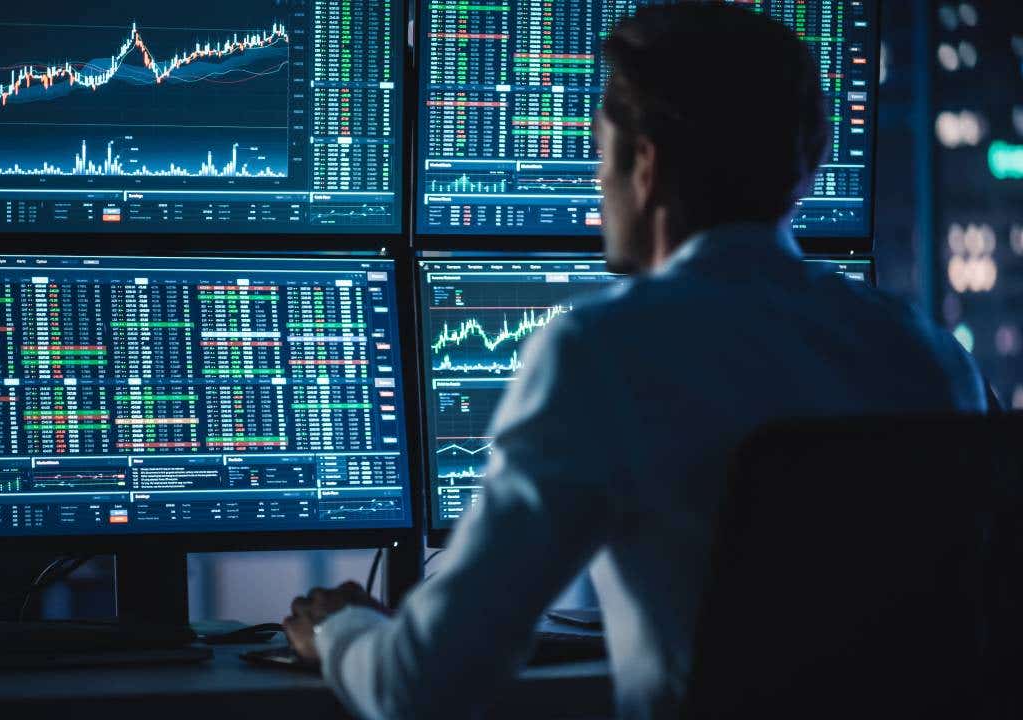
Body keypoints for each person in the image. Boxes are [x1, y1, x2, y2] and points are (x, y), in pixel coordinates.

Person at [281, 5, 991, 719]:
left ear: (644, 165)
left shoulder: (603, 353)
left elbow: (422, 686)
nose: (597, 183)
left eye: (599, 155)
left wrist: (339, 629)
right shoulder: (930, 358)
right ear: (807, 164)